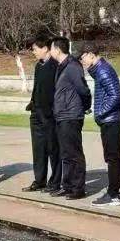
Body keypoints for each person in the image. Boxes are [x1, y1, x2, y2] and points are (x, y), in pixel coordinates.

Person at [79, 42, 120, 207]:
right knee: (111, 156)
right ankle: (113, 193)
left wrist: (100, 112)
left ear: (91, 55)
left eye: (83, 58)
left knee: (113, 157)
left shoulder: (104, 70)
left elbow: (116, 96)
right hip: (110, 119)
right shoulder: (99, 69)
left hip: (112, 119)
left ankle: (113, 195)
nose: (82, 62)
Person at [50, 37, 92, 200]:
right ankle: (67, 186)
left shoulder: (73, 66)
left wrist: (85, 106)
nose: (50, 51)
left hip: (71, 115)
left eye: (51, 48)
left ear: (57, 50)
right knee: (65, 153)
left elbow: (83, 89)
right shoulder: (61, 66)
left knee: (74, 153)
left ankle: (78, 188)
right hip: (61, 115)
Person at [23, 38, 61, 193]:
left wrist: (53, 110)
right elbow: (37, 87)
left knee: (53, 148)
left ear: (45, 48)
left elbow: (57, 90)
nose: (34, 52)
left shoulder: (55, 65)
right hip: (37, 112)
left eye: (35, 49)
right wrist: (32, 103)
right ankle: (39, 180)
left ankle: (55, 182)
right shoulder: (39, 66)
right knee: (38, 149)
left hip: (50, 114)